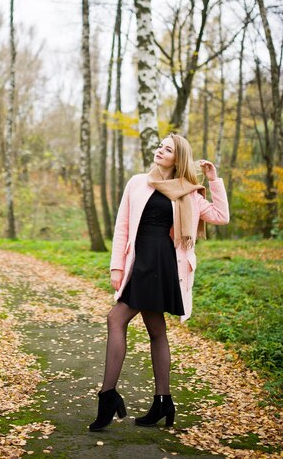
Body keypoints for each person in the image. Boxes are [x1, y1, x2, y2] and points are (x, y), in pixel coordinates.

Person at [89, 133, 229, 432]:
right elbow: (122, 226)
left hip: (163, 264)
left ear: (178, 158)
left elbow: (221, 216)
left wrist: (214, 180)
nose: (160, 151)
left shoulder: (188, 192)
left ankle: (109, 396)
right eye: (160, 146)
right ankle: (162, 402)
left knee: (120, 320)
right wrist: (116, 267)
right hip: (139, 263)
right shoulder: (138, 182)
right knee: (150, 329)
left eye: (167, 149)